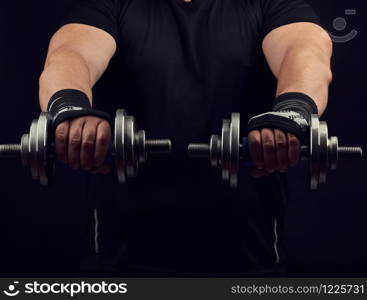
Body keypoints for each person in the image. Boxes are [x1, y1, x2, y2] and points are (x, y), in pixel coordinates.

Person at [39, 0, 332, 276]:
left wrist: (292, 113)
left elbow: (307, 54)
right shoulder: (111, 5)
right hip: (119, 261)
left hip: (249, 260)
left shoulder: (270, 5)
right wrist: (71, 110)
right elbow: (69, 55)